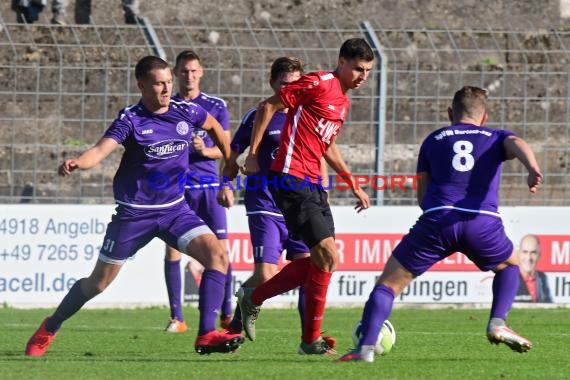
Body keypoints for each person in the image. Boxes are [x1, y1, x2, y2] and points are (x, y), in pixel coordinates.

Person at [24, 55, 244, 357]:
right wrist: (78, 163)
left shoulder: (186, 111)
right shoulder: (131, 119)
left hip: (174, 210)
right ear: (142, 85)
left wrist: (229, 163)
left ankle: (206, 333)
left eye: (169, 81)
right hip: (134, 215)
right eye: (159, 83)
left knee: (218, 255)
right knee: (98, 284)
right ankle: (50, 326)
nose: (168, 89)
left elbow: (216, 127)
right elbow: (100, 150)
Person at [338, 86, 543, 363]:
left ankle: (364, 350)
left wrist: (437, 217)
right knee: (510, 265)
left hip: (438, 219)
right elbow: (516, 142)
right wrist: (532, 168)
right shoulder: (495, 136)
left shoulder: (434, 139)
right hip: (481, 221)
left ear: (450, 113)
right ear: (484, 117)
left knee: (387, 285)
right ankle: (497, 322)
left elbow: (422, 196)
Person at [233, 38, 375, 355]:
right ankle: (257, 301)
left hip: (314, 183)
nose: (362, 76)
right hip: (290, 176)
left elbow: (326, 145)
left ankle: (305, 338)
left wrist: (352, 181)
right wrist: (254, 155)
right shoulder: (319, 82)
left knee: (323, 261)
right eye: (358, 69)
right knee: (325, 255)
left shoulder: (343, 102)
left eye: (367, 71)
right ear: (342, 62)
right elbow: (268, 106)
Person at [217, 56, 335, 348]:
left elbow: (321, 152)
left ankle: (310, 339)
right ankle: (235, 326)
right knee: (267, 272)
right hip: (265, 201)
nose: (289, 90)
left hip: (301, 202)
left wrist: (323, 185)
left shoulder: (309, 115)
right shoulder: (259, 114)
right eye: (283, 84)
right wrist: (225, 183)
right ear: (272, 84)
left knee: (312, 268)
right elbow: (235, 151)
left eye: (295, 84)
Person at [161, 50, 233, 333]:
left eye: (193, 71)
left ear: (201, 72)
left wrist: (208, 154)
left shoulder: (215, 106)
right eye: (183, 71)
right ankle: (177, 318)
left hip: (209, 188)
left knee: (222, 252)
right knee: (172, 252)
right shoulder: (166, 105)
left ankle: (227, 314)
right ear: (176, 74)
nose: (189, 76)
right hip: (176, 190)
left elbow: (227, 150)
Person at [515, 234, 552, 303]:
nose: (529, 257)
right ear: (519, 253)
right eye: (525, 252)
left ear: (539, 255)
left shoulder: (542, 278)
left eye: (533, 252)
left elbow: (549, 304)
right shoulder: (508, 278)